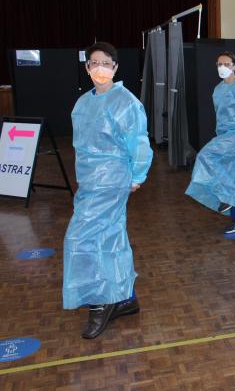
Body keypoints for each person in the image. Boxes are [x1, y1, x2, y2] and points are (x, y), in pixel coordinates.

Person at [63, 42, 153, 339]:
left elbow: (139, 142)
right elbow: (80, 147)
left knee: (83, 237)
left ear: (115, 66)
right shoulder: (83, 103)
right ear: (86, 67)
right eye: (93, 62)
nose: (98, 67)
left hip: (114, 180)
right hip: (89, 183)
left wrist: (137, 175)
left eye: (105, 62)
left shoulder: (125, 102)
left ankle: (101, 302)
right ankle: (124, 298)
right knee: (109, 237)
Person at [185, 52, 235, 237]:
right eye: (219, 63)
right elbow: (220, 117)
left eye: (226, 63)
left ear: (234, 66)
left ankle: (228, 198)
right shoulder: (218, 89)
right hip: (225, 136)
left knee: (206, 156)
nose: (222, 67)